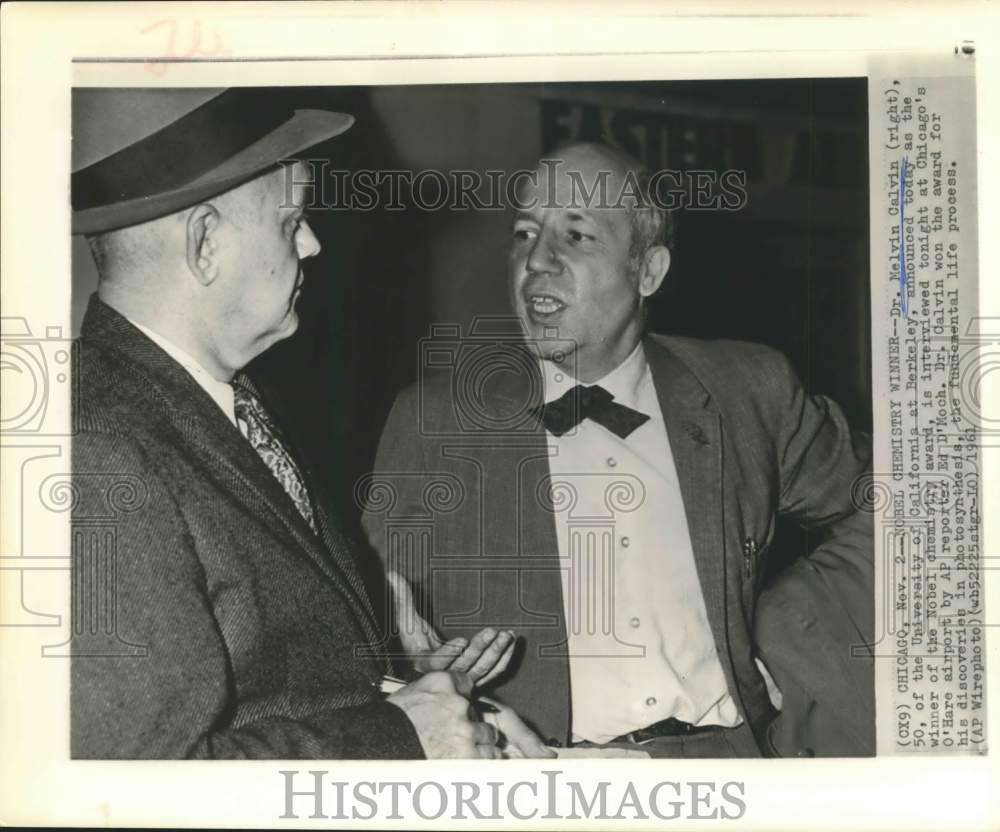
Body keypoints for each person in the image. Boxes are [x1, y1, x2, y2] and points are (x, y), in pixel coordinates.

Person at [69, 88, 548, 760]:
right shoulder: (97, 449)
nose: (314, 243)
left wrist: (459, 719)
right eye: (291, 221)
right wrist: (407, 738)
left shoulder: (226, 402)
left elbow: (279, 685)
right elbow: (147, 781)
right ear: (206, 243)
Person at [362, 142, 874, 758]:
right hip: (539, 779)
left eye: (576, 236)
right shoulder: (433, 420)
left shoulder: (747, 390)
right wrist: (415, 669)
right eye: (525, 233)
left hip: (729, 767)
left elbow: (905, 497)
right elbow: (360, 628)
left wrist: (790, 633)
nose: (537, 262)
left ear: (647, 271)